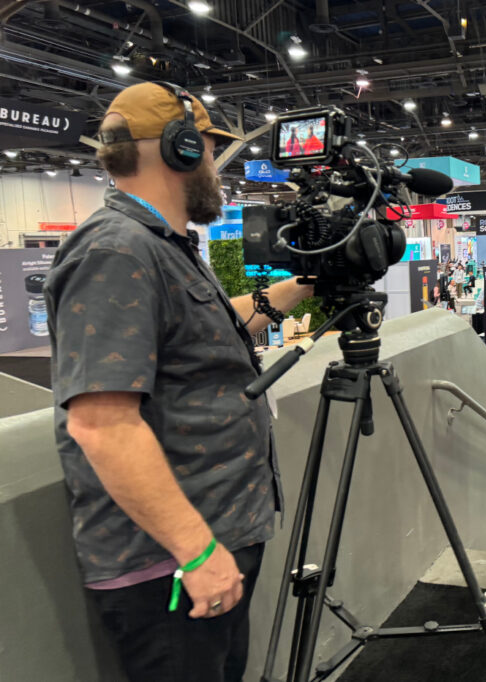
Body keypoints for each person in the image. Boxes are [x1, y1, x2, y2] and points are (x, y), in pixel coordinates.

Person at [43, 82, 314, 682]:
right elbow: (102, 424)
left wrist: (303, 286)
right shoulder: (118, 251)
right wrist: (196, 551)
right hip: (170, 562)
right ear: (181, 148)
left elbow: (201, 333)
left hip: (210, 537)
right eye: (212, 149)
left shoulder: (159, 244)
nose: (217, 167)